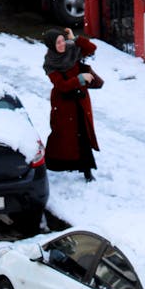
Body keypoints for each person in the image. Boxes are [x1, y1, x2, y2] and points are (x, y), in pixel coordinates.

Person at [43, 27, 103, 181]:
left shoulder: (73, 49)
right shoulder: (51, 63)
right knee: (62, 135)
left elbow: (91, 48)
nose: (62, 44)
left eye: (63, 40)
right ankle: (53, 163)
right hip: (64, 104)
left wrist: (75, 38)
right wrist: (80, 79)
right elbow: (61, 85)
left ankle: (87, 170)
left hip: (80, 100)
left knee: (83, 134)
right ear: (51, 45)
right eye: (58, 43)